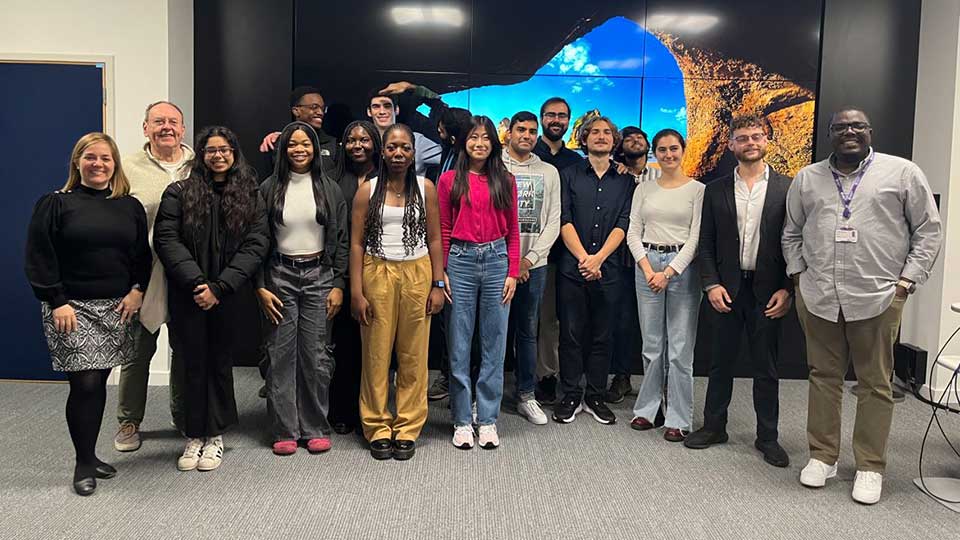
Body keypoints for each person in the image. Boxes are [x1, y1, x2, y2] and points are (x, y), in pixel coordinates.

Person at [783, 108, 942, 504]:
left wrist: (907, 282)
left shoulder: (902, 173)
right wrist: (799, 277)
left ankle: (870, 465)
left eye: (857, 126)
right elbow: (791, 232)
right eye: (840, 127)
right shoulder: (808, 178)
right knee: (823, 376)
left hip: (878, 296)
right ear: (830, 134)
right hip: (819, 296)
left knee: (875, 383)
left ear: (869, 131)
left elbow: (928, 230)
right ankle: (823, 456)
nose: (849, 132)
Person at [26, 132, 151, 495]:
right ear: (77, 162)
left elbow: (140, 257)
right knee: (85, 383)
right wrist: (57, 300)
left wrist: (137, 290)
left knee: (99, 382)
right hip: (71, 309)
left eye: (106, 158)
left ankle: (91, 455)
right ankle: (83, 463)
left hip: (117, 308)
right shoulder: (54, 203)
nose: (98, 164)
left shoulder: (128, 205)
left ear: (115, 164)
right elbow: (39, 257)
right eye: (91, 157)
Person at [154, 126, 270, 471]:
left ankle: (215, 434)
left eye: (224, 150)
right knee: (191, 363)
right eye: (210, 150)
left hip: (228, 295)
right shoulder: (178, 192)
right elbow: (166, 239)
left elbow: (257, 244)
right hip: (188, 292)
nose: (218, 155)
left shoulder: (250, 195)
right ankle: (193, 435)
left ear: (234, 154)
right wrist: (197, 283)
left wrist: (220, 287)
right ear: (200, 156)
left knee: (219, 361)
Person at [685, 115, 792, 468]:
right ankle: (715, 427)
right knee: (720, 363)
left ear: (767, 141)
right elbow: (706, 243)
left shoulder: (787, 188)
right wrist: (711, 284)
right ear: (731, 144)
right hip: (726, 289)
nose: (750, 142)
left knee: (766, 367)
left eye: (756, 136)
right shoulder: (714, 189)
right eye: (742, 137)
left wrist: (787, 288)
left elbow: (796, 243)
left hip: (767, 291)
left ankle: (768, 438)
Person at [351, 123, 446, 460]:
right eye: (392, 147)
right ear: (383, 150)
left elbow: (435, 238)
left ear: (413, 152)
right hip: (376, 272)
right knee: (375, 355)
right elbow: (357, 243)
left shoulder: (427, 187)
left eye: (405, 147)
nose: (398, 153)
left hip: (417, 273)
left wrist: (438, 283)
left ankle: (406, 426)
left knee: (413, 356)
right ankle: (377, 425)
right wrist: (356, 291)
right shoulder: (367, 189)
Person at [255, 121, 348, 455]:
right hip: (279, 275)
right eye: (292, 144)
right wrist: (260, 285)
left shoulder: (329, 188)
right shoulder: (268, 188)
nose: (299, 150)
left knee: (315, 354)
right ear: (283, 149)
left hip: (319, 276)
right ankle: (284, 429)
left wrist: (338, 283)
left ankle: (314, 426)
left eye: (305, 144)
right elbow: (257, 242)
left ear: (315, 149)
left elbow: (340, 239)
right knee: (280, 355)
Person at [114, 101, 193, 452]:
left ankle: (183, 414)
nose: (166, 127)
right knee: (137, 351)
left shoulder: (199, 165)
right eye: (158, 121)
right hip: (143, 274)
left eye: (173, 122)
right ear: (145, 127)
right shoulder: (127, 168)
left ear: (183, 128)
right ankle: (129, 421)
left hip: (188, 272)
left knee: (186, 349)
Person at [439, 115, 520, 449]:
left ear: (494, 143)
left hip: (497, 260)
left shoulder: (506, 179)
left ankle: (486, 419)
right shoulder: (447, 180)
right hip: (459, 262)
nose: (480, 144)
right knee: (459, 343)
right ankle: (461, 420)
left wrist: (513, 271)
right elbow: (443, 227)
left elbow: (513, 229)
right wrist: (441, 271)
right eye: (473, 137)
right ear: (464, 142)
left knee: (494, 343)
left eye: (486, 138)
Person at [552, 115, 634, 426]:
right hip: (573, 268)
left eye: (607, 133)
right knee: (571, 334)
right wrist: (586, 258)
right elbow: (564, 218)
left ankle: (595, 394)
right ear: (584, 139)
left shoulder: (626, 180)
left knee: (603, 335)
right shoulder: (568, 175)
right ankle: (571, 393)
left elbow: (624, 222)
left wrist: (599, 258)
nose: (600, 136)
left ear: (615, 141)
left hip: (609, 269)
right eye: (594, 132)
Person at [627, 128, 705, 442]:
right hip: (647, 266)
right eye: (661, 150)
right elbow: (633, 230)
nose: (668, 155)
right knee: (652, 345)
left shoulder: (698, 190)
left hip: (682, 270)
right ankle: (647, 409)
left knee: (680, 349)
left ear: (683, 150)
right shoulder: (644, 189)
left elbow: (696, 238)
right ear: (654, 154)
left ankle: (678, 417)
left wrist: (668, 272)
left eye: (674, 148)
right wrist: (647, 268)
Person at [501, 111, 561, 425]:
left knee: (527, 331)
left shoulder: (549, 172)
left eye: (531, 131)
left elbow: (553, 221)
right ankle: (485, 396)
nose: (526, 135)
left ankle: (526, 395)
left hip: (535, 265)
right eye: (520, 129)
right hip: (497, 263)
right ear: (508, 132)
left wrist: (528, 260)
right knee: (493, 333)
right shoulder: (494, 165)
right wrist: (512, 262)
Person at [327, 120, 382, 435]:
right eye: (351, 140)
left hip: (379, 271)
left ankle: (372, 410)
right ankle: (343, 409)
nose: (357, 145)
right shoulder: (333, 180)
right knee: (344, 344)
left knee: (375, 346)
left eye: (364, 139)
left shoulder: (388, 180)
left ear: (375, 143)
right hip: (342, 272)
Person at [532, 97, 583, 405]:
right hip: (527, 251)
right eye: (550, 114)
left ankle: (549, 376)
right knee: (527, 320)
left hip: (564, 253)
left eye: (562, 116)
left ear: (568, 121)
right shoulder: (525, 153)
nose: (556, 120)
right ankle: (529, 375)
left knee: (552, 320)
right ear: (541, 118)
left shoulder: (575, 162)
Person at [604, 126, 661, 404]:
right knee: (621, 319)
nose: (636, 140)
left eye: (641, 137)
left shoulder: (661, 175)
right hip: (618, 256)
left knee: (653, 324)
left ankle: (658, 383)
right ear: (620, 146)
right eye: (629, 138)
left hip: (654, 257)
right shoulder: (615, 174)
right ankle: (621, 376)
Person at [258, 86, 340, 176]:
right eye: (314, 107)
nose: (320, 112)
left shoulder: (332, 144)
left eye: (322, 108)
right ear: (296, 111)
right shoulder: (279, 143)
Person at [367, 91, 441, 176]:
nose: (382, 111)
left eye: (387, 106)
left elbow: (450, 159)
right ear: (369, 112)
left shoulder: (416, 140)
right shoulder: (363, 143)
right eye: (376, 107)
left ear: (396, 110)